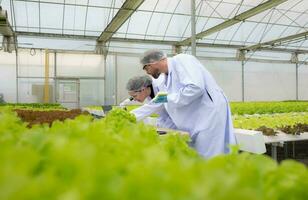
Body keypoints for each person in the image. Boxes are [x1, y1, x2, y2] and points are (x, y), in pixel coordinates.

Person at [140, 49, 236, 158]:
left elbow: (195, 87)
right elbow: (158, 103)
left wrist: (169, 98)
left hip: (208, 115)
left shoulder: (182, 60)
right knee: (200, 154)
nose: (147, 72)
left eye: (146, 68)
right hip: (198, 118)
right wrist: (133, 115)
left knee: (210, 155)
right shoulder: (166, 78)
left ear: (153, 62)